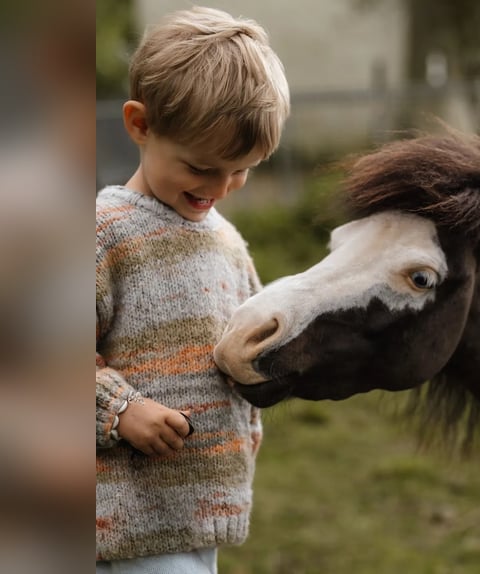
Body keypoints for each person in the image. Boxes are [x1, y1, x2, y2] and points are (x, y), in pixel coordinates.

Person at [96, 7, 289, 572]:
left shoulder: (227, 241)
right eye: (202, 167)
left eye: (241, 170)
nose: (221, 188)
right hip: (120, 519)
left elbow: (246, 348)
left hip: (198, 512)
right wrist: (118, 408)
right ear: (140, 124)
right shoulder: (103, 232)